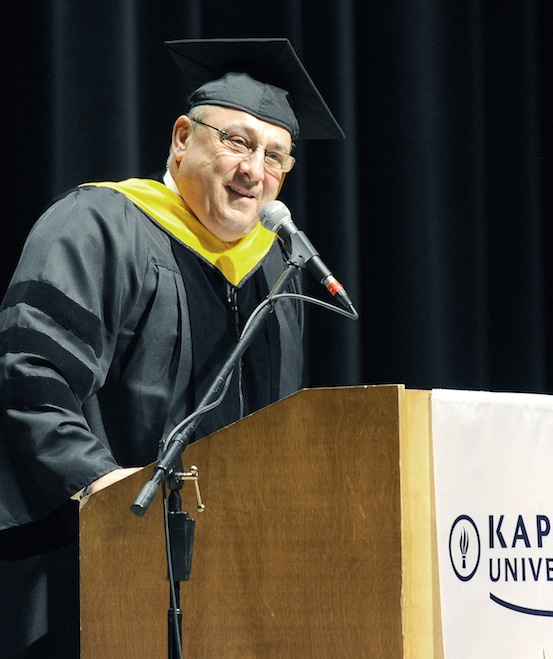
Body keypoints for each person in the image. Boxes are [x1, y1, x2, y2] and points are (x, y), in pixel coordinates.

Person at [0, 38, 345, 657]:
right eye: (237, 142)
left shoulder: (274, 272)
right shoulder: (100, 223)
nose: (254, 171)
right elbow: (32, 372)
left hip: (231, 583)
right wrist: (103, 489)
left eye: (275, 157)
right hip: (89, 565)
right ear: (183, 137)